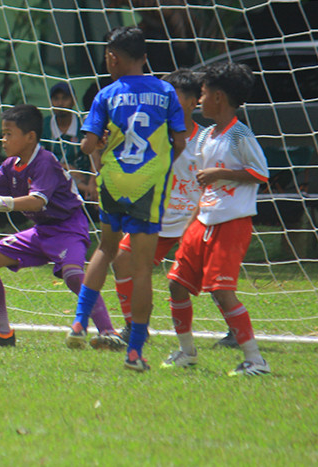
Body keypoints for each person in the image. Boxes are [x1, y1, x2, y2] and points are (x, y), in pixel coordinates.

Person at [67, 27, 187, 372]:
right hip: (148, 184)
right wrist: (162, 167)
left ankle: (78, 322)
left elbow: (87, 146)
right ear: (144, 57)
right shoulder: (166, 92)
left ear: (113, 57)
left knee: (105, 248)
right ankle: (134, 353)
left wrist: (102, 143)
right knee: (142, 268)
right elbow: (180, 142)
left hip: (112, 181)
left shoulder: (106, 94)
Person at [0, 104, 123, 349]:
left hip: (68, 228)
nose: (3, 140)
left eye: (8, 134)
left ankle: (108, 333)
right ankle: (2, 332)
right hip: (41, 232)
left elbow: (37, 202)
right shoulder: (11, 164)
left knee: (72, 275)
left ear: (30, 137)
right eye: (2, 134)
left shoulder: (45, 161)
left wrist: (0, 203)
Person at [163, 62, 271, 376]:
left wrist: (219, 173)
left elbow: (260, 173)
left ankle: (256, 360)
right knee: (176, 284)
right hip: (203, 220)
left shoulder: (239, 135)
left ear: (219, 97)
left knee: (222, 291)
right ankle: (187, 353)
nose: (200, 100)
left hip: (231, 222)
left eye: (204, 94)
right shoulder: (208, 135)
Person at [112, 69, 201, 343]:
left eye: (173, 97)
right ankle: (134, 326)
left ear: (192, 102)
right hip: (158, 219)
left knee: (213, 277)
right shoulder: (150, 134)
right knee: (122, 260)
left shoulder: (208, 139)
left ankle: (234, 330)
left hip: (196, 220)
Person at [43, 81, 95, 200]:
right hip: (53, 178)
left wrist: (92, 182)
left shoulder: (83, 124)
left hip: (84, 177)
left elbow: (95, 155)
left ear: (74, 100)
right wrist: (67, 167)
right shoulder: (44, 126)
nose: (60, 103)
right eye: (56, 99)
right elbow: (39, 156)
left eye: (65, 98)